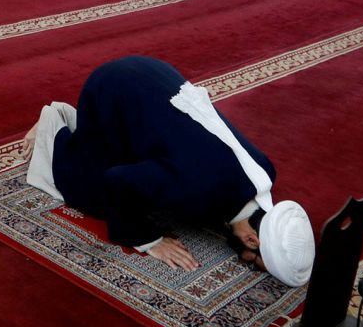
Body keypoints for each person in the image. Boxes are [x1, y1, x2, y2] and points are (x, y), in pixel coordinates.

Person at [22, 55, 314, 286]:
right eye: (253, 260)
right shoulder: (197, 191)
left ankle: (89, 135)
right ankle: (54, 122)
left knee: (149, 161)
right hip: (110, 90)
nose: (245, 260)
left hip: (154, 74)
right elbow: (119, 181)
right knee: (90, 193)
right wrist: (148, 240)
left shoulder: (265, 172)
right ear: (253, 239)